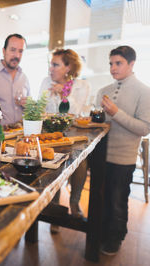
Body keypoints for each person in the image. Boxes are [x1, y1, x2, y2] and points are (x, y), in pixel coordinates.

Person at [97, 46, 150, 255]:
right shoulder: (104, 91)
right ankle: (99, 232)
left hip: (123, 158)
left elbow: (144, 128)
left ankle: (115, 237)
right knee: (100, 199)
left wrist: (116, 113)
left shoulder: (144, 92)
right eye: (111, 63)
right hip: (100, 156)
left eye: (118, 63)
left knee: (117, 200)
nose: (112, 68)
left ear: (132, 64)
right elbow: (98, 124)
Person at [39, 49, 91, 234]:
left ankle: (74, 202)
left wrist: (63, 95)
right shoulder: (46, 82)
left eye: (55, 64)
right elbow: (40, 108)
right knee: (55, 166)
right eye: (51, 64)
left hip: (73, 135)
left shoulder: (81, 85)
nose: (50, 68)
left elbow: (75, 112)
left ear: (68, 67)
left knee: (81, 163)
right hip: (51, 135)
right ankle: (55, 210)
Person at [0, 33, 30, 126]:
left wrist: (29, 105)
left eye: (20, 51)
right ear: (3, 51)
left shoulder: (24, 78)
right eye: (13, 50)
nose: (17, 55)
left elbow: (29, 110)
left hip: (21, 134)